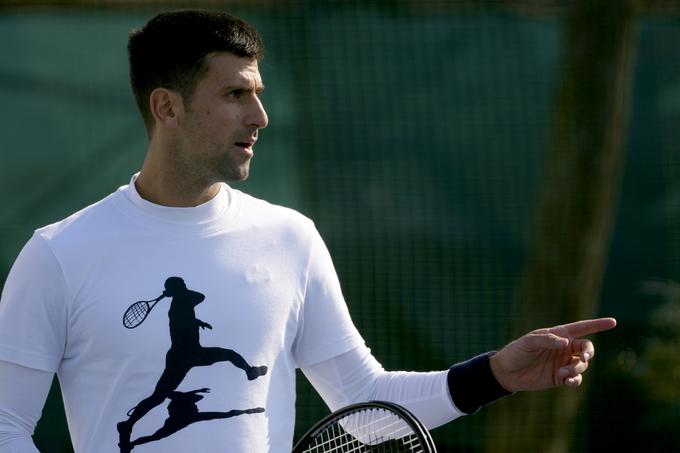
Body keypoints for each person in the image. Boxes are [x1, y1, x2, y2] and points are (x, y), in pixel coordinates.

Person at [0, 9, 616, 453]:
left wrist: (498, 374)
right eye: (236, 94)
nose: (260, 116)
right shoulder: (58, 254)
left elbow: (363, 404)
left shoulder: (290, 238)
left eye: (259, 93)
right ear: (168, 107)